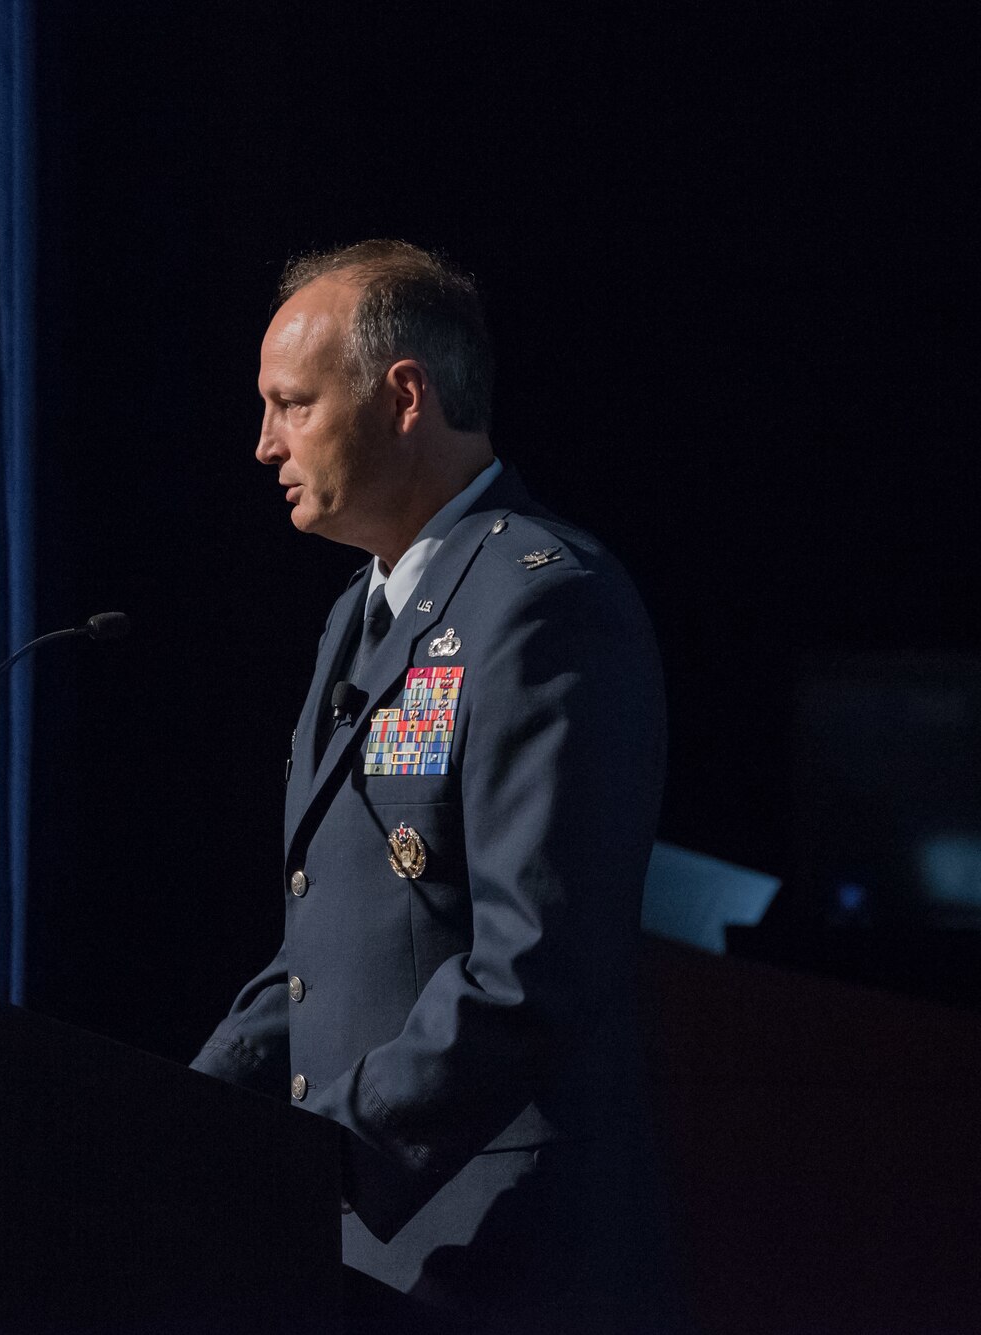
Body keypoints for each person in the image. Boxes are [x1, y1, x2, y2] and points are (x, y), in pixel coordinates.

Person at [190, 241, 674, 1332]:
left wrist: (327, 1152)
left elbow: (532, 963)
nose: (262, 443)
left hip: (507, 1253)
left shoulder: (542, 604)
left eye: (290, 405)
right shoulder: (354, 619)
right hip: (373, 1254)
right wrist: (184, 1116)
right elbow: (325, 951)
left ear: (402, 394)